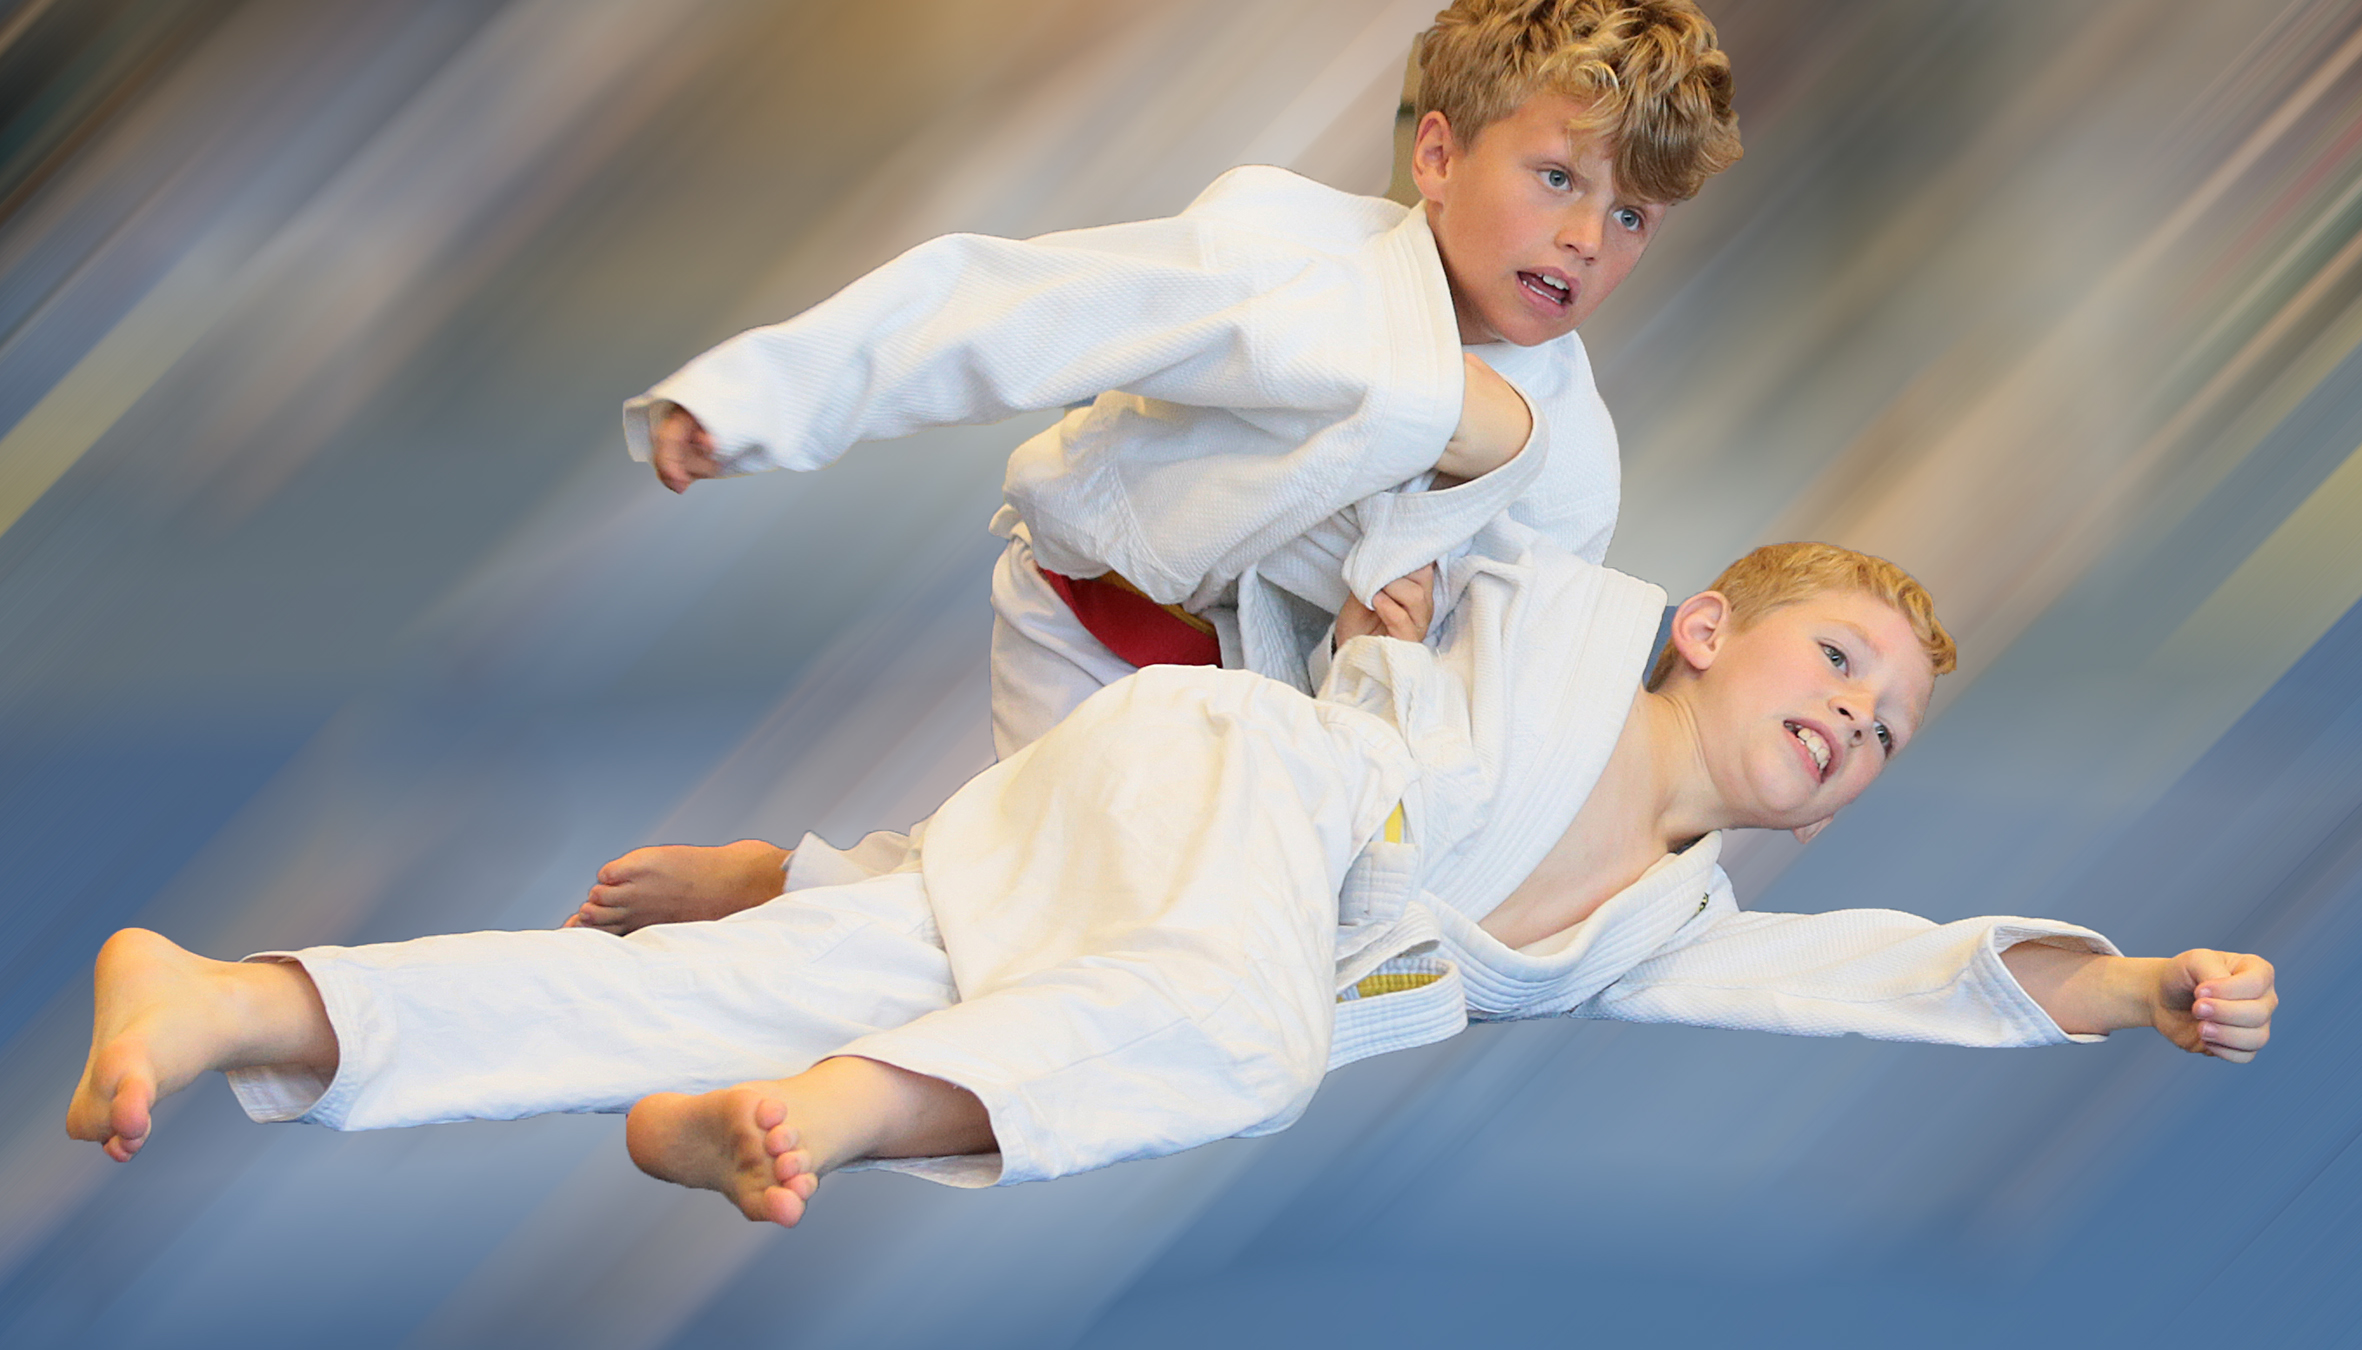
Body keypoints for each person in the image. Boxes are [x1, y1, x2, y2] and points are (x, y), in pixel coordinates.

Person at [67, 537, 2278, 1229]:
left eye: (1888, 733)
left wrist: (2129, 985)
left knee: (715, 1004)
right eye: (1838, 663)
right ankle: (839, 1105)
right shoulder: (1550, 607)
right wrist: (1403, 570)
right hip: (1223, 774)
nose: (1857, 722)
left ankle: (230, 995)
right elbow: (1426, 476)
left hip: (1109, 874)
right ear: (1704, 624)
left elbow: (1880, 975)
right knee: (1244, 1038)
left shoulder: (1660, 931)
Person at [630, 0, 1743, 760]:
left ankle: (801, 882)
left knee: (1178, 958)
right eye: (1558, 178)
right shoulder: (1288, 261)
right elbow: (1026, 308)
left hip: (1268, 714)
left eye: (1632, 216)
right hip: (1079, 628)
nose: (1586, 239)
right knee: (1043, 922)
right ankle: (794, 884)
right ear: (1439, 155)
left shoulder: (1572, 463)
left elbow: (1497, 698)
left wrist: (1386, 660)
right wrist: (763, 400)